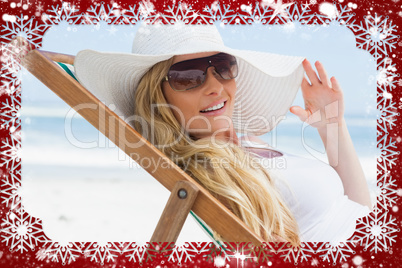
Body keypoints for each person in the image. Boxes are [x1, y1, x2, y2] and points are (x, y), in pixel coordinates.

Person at [74, 24, 371, 246]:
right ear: (158, 98)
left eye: (223, 67)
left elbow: (357, 210)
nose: (216, 86)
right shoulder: (211, 174)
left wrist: (332, 126)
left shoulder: (243, 144)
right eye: (188, 76)